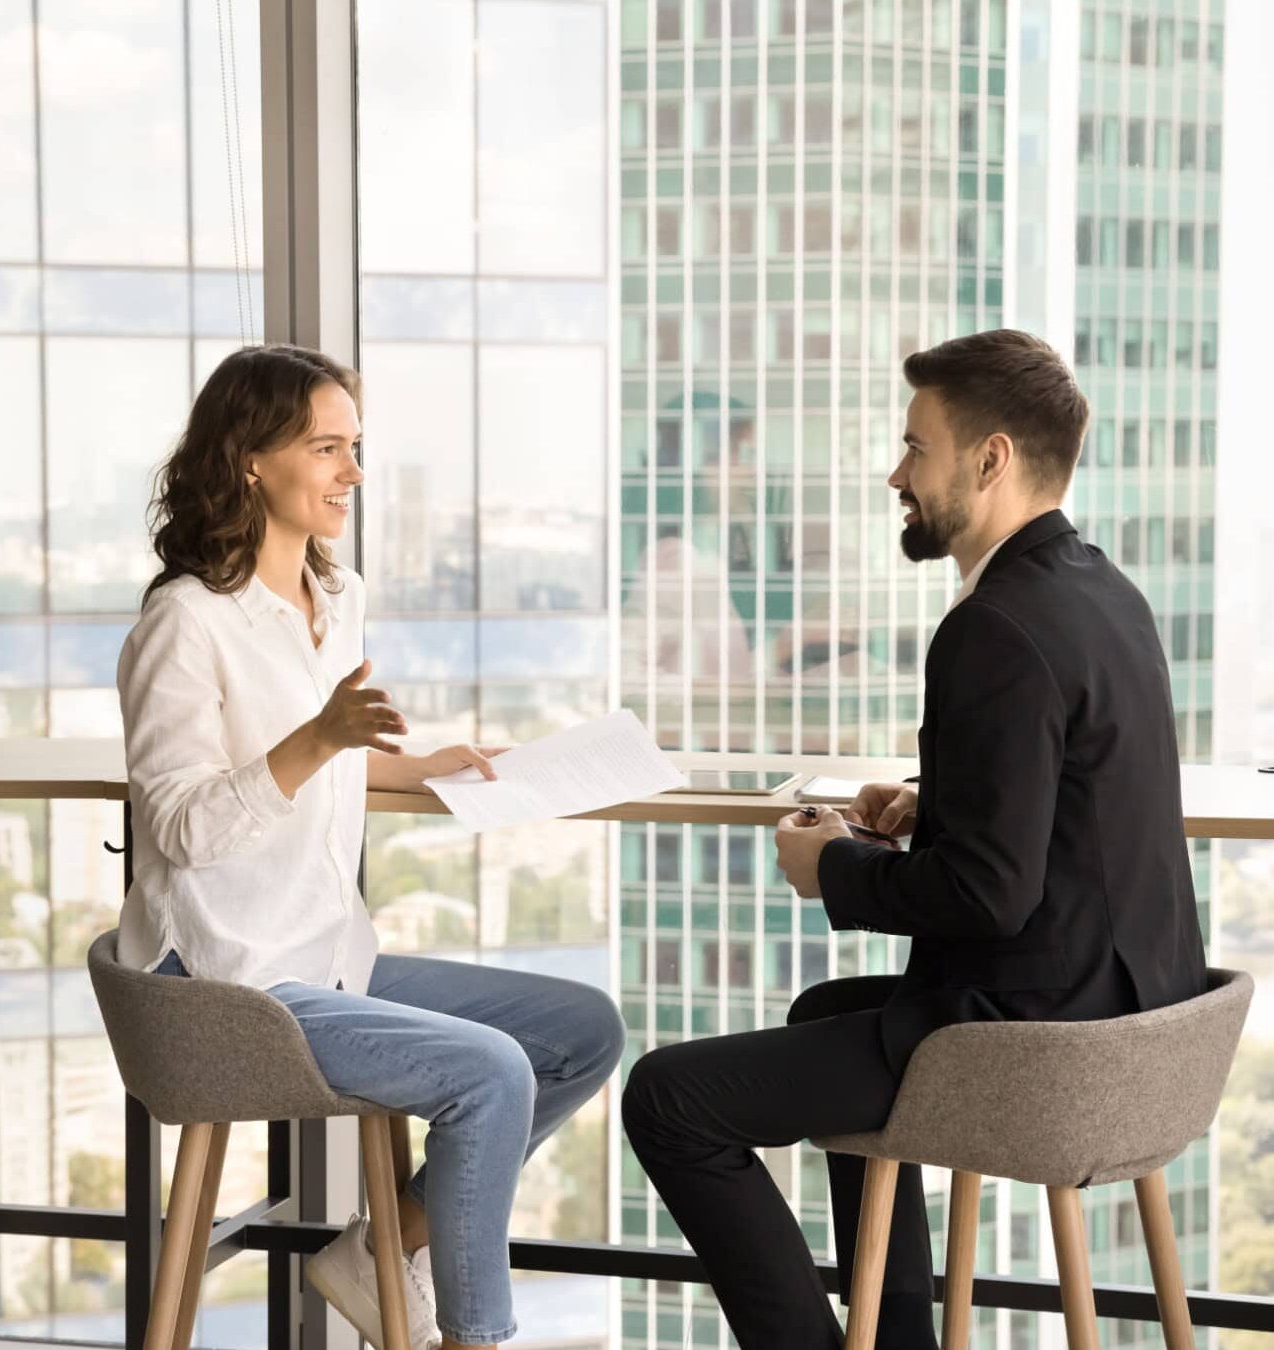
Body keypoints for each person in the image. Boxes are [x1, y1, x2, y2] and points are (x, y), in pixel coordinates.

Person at [621, 329, 1206, 1350]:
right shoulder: (1101, 592)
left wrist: (833, 868)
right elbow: (1070, 815)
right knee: (821, 1012)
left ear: (989, 460)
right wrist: (931, 807)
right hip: (1134, 1026)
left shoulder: (994, 628)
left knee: (669, 1098)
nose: (897, 473)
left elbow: (990, 899)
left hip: (1034, 1044)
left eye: (915, 448)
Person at [116, 344, 626, 1350]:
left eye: (357, 447)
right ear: (251, 459)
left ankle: (383, 1254)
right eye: (328, 448)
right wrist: (320, 737)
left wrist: (438, 763)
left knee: (582, 1030)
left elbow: (332, 766)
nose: (354, 471)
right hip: (230, 982)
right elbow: (177, 825)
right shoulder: (184, 624)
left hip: (322, 952)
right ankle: (472, 1338)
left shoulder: (332, 597)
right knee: (491, 1074)